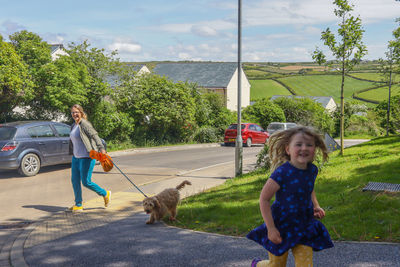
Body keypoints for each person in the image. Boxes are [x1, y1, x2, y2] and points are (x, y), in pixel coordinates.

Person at [247, 126, 333, 267]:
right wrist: (271, 228)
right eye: (298, 144)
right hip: (281, 225)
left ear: (314, 150)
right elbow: (264, 199)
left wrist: (316, 205)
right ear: (288, 149)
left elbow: (309, 188)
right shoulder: (282, 173)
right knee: (276, 265)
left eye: (309, 145)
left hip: (304, 225)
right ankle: (257, 265)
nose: (304, 148)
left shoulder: (312, 170)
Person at [67, 104, 111, 212]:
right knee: (75, 181)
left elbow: (95, 136)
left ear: (81, 112)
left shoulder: (84, 124)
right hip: (76, 158)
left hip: (87, 157)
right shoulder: (73, 125)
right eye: (73, 112)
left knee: (86, 182)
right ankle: (78, 204)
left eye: (76, 112)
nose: (74, 114)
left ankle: (105, 193)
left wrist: (102, 150)